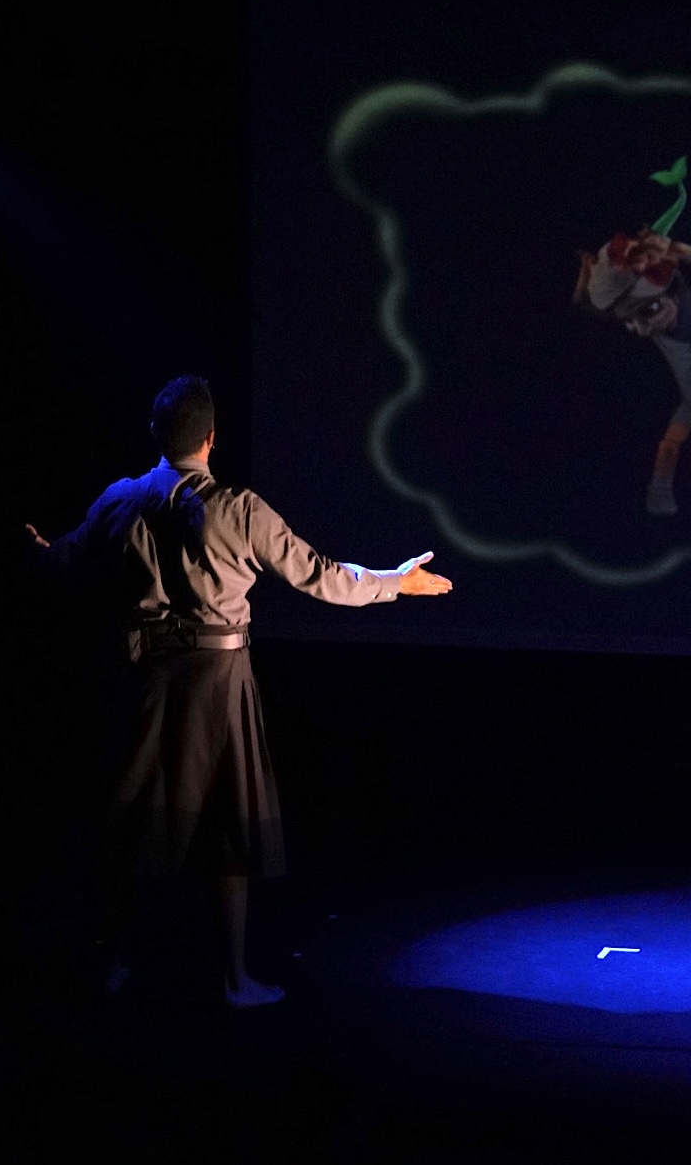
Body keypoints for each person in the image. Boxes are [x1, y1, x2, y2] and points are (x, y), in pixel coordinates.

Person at [26, 376, 453, 1007]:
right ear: (211, 438)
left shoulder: (120, 500)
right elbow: (320, 576)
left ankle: (112, 964)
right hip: (217, 680)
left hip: (147, 680)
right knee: (228, 822)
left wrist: (34, 551)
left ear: (157, 434)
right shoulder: (239, 509)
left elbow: (63, 560)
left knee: (139, 816)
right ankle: (232, 978)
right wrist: (396, 581)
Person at [574, 228, 691, 515]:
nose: (643, 327)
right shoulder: (653, 326)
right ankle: (659, 490)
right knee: (669, 444)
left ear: (670, 295)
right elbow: (584, 304)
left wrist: (676, 247)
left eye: (649, 310)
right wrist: (586, 270)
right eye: (633, 322)